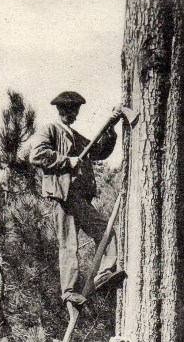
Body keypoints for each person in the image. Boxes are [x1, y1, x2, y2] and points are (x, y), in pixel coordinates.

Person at [32, 91, 125, 306]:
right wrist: (67, 161)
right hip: (64, 198)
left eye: (76, 110)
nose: (73, 114)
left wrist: (110, 128)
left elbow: (99, 151)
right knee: (69, 246)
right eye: (69, 110)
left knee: (106, 232)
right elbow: (36, 154)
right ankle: (69, 293)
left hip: (80, 200)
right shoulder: (50, 131)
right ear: (60, 110)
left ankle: (104, 273)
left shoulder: (74, 135)